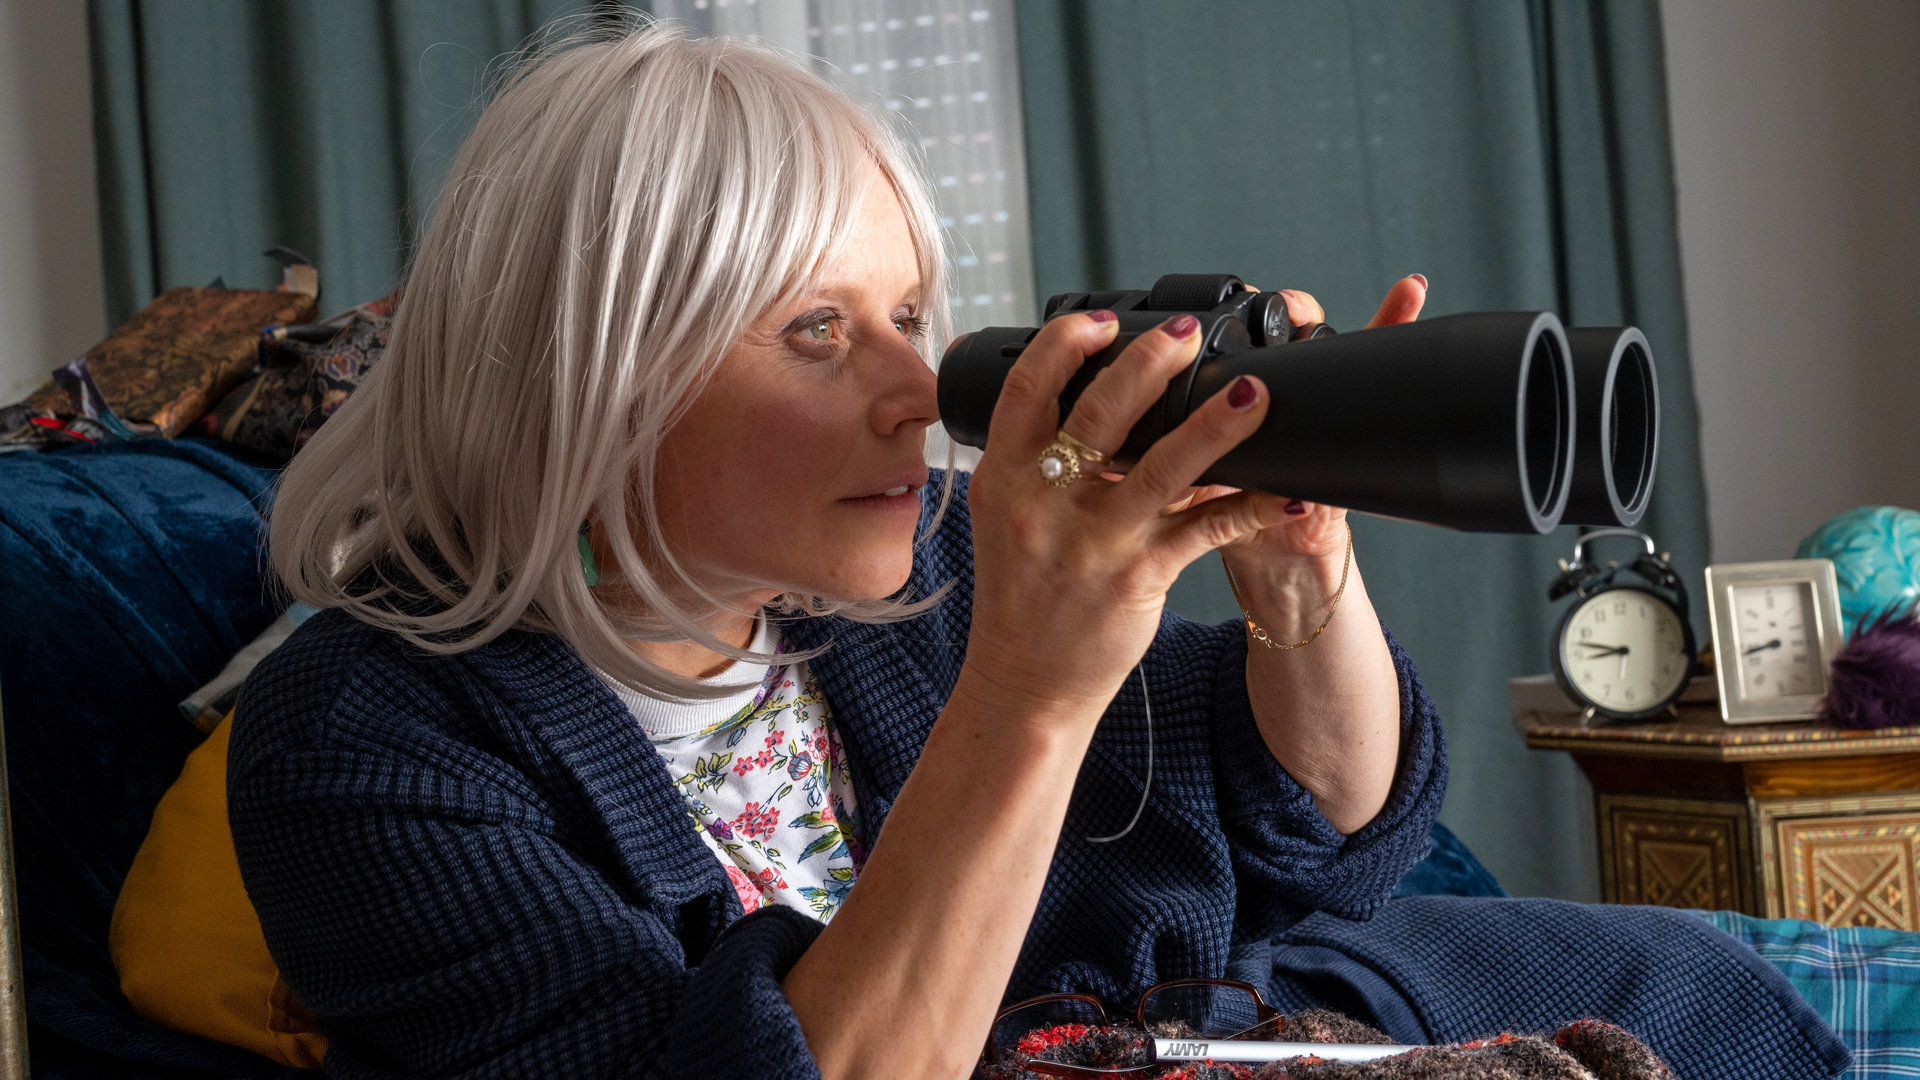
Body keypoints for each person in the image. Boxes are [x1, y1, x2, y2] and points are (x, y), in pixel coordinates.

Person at [231, 21, 1845, 1080]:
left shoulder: (908, 577)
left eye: (912, 319)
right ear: (590, 365)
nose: (912, 388)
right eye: (813, 329)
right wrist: (1036, 686)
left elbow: (1335, 826)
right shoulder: (366, 742)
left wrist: (1302, 566)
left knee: (1843, 996)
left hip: (1381, 1000)